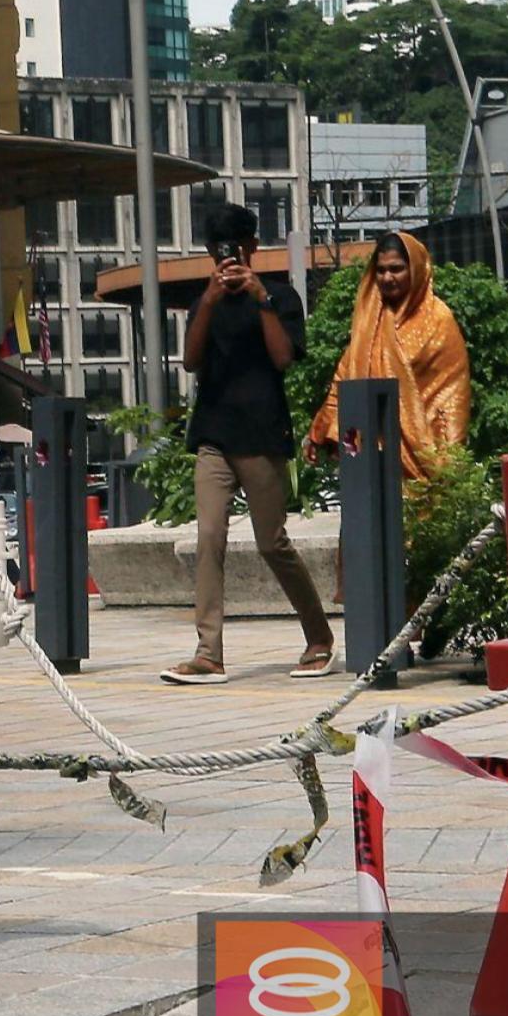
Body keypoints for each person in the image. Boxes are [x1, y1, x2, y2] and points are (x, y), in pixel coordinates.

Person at [162, 203, 335, 687]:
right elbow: (192, 361)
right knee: (209, 536)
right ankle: (208, 652)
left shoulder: (281, 297)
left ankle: (319, 636)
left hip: (262, 434)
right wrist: (212, 301)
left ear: (253, 248)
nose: (228, 259)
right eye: (220, 251)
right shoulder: (205, 303)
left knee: (271, 542)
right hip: (213, 437)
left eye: (236, 248)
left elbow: (283, 359)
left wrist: (260, 300)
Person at [305, 231, 470, 481]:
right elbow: (346, 379)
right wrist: (318, 432)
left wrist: (447, 459)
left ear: (416, 269)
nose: (387, 277)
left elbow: (452, 395)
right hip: (371, 453)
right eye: (381, 270)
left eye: (396, 269)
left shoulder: (438, 320)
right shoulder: (371, 320)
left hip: (425, 457)